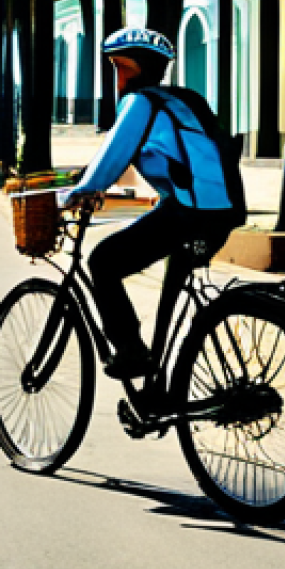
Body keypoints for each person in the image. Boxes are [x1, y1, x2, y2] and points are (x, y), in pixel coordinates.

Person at [62, 27, 247, 382]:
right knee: (171, 279)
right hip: (219, 212)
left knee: (103, 262)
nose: (117, 76)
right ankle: (157, 384)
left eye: (121, 67)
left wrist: (76, 193)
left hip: (189, 213)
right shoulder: (182, 100)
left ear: (139, 69)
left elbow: (113, 157)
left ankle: (132, 352)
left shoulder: (140, 102)